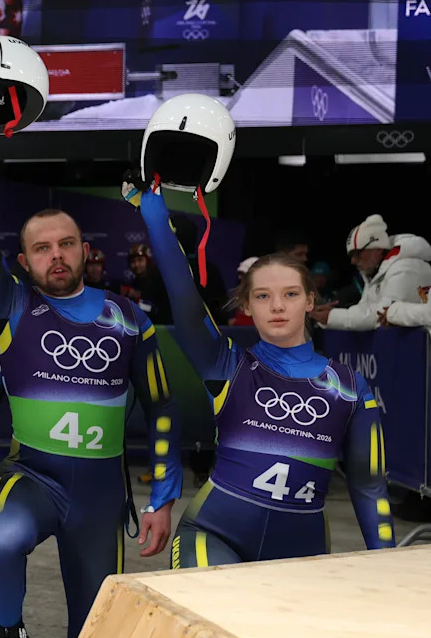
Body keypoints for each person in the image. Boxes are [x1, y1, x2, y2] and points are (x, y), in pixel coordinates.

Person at [0, 89, 182, 638]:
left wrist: (162, 495)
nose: (57, 255)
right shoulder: (13, 307)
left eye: (67, 243)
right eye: (43, 248)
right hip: (34, 478)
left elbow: (161, 408)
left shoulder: (130, 319)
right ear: (24, 263)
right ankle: (10, 636)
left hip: (102, 491)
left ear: (85, 250)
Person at [135, 188, 395, 565]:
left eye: (290, 294)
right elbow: (184, 297)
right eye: (262, 296)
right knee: (218, 621)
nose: (276, 306)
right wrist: (156, 217)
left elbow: (370, 488)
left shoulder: (351, 388)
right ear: (246, 305)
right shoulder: (224, 364)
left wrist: (385, 566)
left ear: (310, 302)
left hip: (301, 554)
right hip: (212, 535)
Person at [312, 214, 431, 330]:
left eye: (357, 254)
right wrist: (330, 315)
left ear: (377, 249)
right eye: (351, 256)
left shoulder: (407, 267)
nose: (353, 261)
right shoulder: (375, 271)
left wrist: (332, 317)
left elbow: (381, 315)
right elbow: (364, 310)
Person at [125, 243, 173, 324]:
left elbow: (162, 309)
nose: (136, 265)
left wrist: (141, 304)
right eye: (133, 261)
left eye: (140, 260)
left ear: (147, 261)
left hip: (166, 328)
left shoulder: (161, 278)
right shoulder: (134, 284)